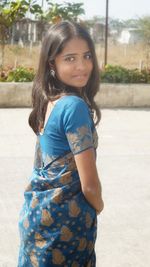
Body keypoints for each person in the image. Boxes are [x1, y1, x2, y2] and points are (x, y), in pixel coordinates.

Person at [18, 20, 104, 267]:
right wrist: (98, 206)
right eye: (70, 58)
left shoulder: (48, 100)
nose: (82, 66)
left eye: (87, 56)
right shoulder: (74, 106)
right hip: (64, 232)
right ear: (51, 63)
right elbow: (90, 186)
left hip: (37, 220)